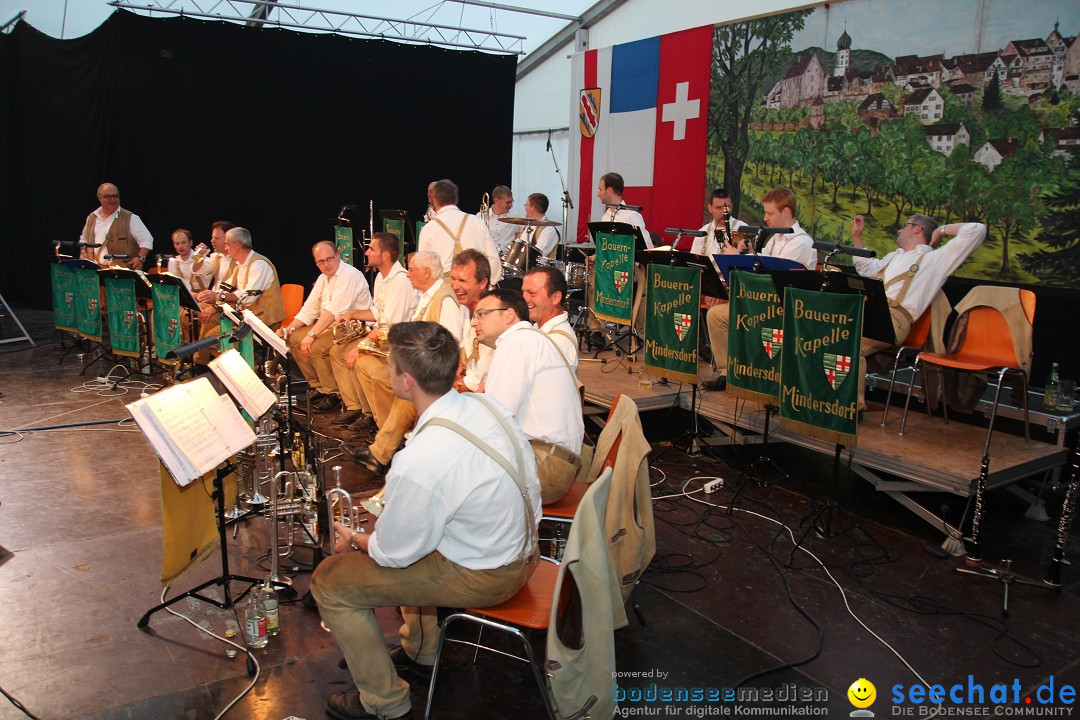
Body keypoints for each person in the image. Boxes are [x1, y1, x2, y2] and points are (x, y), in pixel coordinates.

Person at [311, 320, 541, 720]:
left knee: (331, 581)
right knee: (421, 533)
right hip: (527, 549)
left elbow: (394, 555)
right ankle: (422, 651)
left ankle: (384, 703)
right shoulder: (487, 405)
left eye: (389, 366)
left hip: (489, 574)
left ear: (405, 380)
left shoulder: (420, 459)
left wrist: (357, 538)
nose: (386, 371)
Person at [851, 213, 987, 409]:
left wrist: (941, 230)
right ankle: (822, 399)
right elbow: (866, 267)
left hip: (893, 320)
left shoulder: (935, 260)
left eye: (904, 225)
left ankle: (851, 408)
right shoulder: (893, 257)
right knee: (829, 334)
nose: (899, 229)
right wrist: (857, 237)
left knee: (847, 343)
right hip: (871, 312)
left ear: (917, 228)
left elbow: (977, 230)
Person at [345, 251, 461, 475]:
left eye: (412, 270)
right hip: (419, 366)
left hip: (432, 374)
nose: (408, 275)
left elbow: (451, 345)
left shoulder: (444, 299)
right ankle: (386, 440)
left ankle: (382, 451)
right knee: (364, 364)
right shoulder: (426, 296)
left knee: (396, 384)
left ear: (426, 272)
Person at [473, 288, 584, 504]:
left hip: (546, 466)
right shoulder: (527, 340)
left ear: (508, 315)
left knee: (450, 471)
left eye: (481, 314)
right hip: (550, 460)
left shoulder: (518, 342)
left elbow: (497, 418)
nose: (473, 323)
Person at [701, 186, 817, 391]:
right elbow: (762, 267)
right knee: (716, 315)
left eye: (770, 213)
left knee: (724, 311)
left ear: (786, 212)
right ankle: (728, 371)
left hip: (783, 309)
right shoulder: (775, 238)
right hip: (762, 304)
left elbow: (775, 276)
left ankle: (760, 375)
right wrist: (749, 255)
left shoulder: (802, 242)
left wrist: (739, 259)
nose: (765, 218)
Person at [329, 233, 416, 431]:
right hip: (385, 335)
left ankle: (373, 417)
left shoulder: (400, 280)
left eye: (372, 249)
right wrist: (352, 314)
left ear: (385, 255)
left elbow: (388, 324)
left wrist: (361, 347)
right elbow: (378, 311)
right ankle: (359, 408)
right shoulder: (380, 277)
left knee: (356, 357)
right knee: (339, 351)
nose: (367, 252)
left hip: (397, 341)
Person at [276, 241, 373, 413]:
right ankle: (319, 387)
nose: (326, 264)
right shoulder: (323, 278)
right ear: (316, 263)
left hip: (354, 328)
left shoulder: (348, 275)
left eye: (329, 259)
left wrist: (312, 334)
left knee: (317, 346)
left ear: (338, 255)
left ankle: (333, 393)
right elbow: (310, 308)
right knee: (293, 338)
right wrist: (288, 329)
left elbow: (333, 312)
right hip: (333, 326)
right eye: (321, 261)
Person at [193, 226, 285, 363]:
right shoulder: (239, 266)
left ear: (237, 245)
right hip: (246, 316)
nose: (225, 248)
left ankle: (239, 373)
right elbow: (226, 289)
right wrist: (208, 298)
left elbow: (248, 296)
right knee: (208, 319)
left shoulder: (259, 264)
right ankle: (201, 362)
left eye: (227, 244)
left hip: (264, 320)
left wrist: (218, 297)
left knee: (213, 337)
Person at [418, 179, 502, 285]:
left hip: (443, 291)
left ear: (434, 200)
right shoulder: (477, 222)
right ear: (456, 199)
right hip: (474, 288)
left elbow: (423, 268)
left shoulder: (429, 228)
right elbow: (493, 259)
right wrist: (489, 285)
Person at [79, 183, 153, 269]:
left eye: (116, 196)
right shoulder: (92, 217)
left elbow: (147, 239)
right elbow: (84, 239)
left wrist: (140, 258)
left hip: (121, 275)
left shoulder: (130, 218)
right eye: (108, 196)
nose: (113, 199)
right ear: (99, 198)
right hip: (95, 272)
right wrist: (83, 252)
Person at [449, 249, 494, 393]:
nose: (455, 286)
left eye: (462, 280)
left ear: (482, 283)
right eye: (453, 279)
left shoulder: (492, 316)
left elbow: (482, 380)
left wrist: (450, 386)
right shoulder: (464, 308)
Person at [521, 265, 577, 368]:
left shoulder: (557, 343)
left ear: (555, 298)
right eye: (523, 293)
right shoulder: (540, 329)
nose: (524, 299)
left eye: (532, 293)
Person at [596, 172, 650, 248]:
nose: (598, 194)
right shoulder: (606, 216)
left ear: (609, 190)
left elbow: (648, 246)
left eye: (600, 189)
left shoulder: (631, 215)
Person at [689, 188, 747, 258]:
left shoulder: (742, 228)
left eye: (727, 207)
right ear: (710, 208)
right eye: (719, 208)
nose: (724, 212)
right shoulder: (703, 231)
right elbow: (694, 260)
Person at [518, 193, 561, 258]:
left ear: (532, 208)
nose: (525, 207)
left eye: (526, 205)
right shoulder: (526, 226)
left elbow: (537, 254)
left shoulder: (548, 230)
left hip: (539, 267)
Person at [478, 185, 517, 253]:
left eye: (512, 202)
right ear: (497, 200)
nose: (511, 205)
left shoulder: (515, 217)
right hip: (484, 258)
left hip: (506, 260)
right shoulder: (480, 216)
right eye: (508, 202)